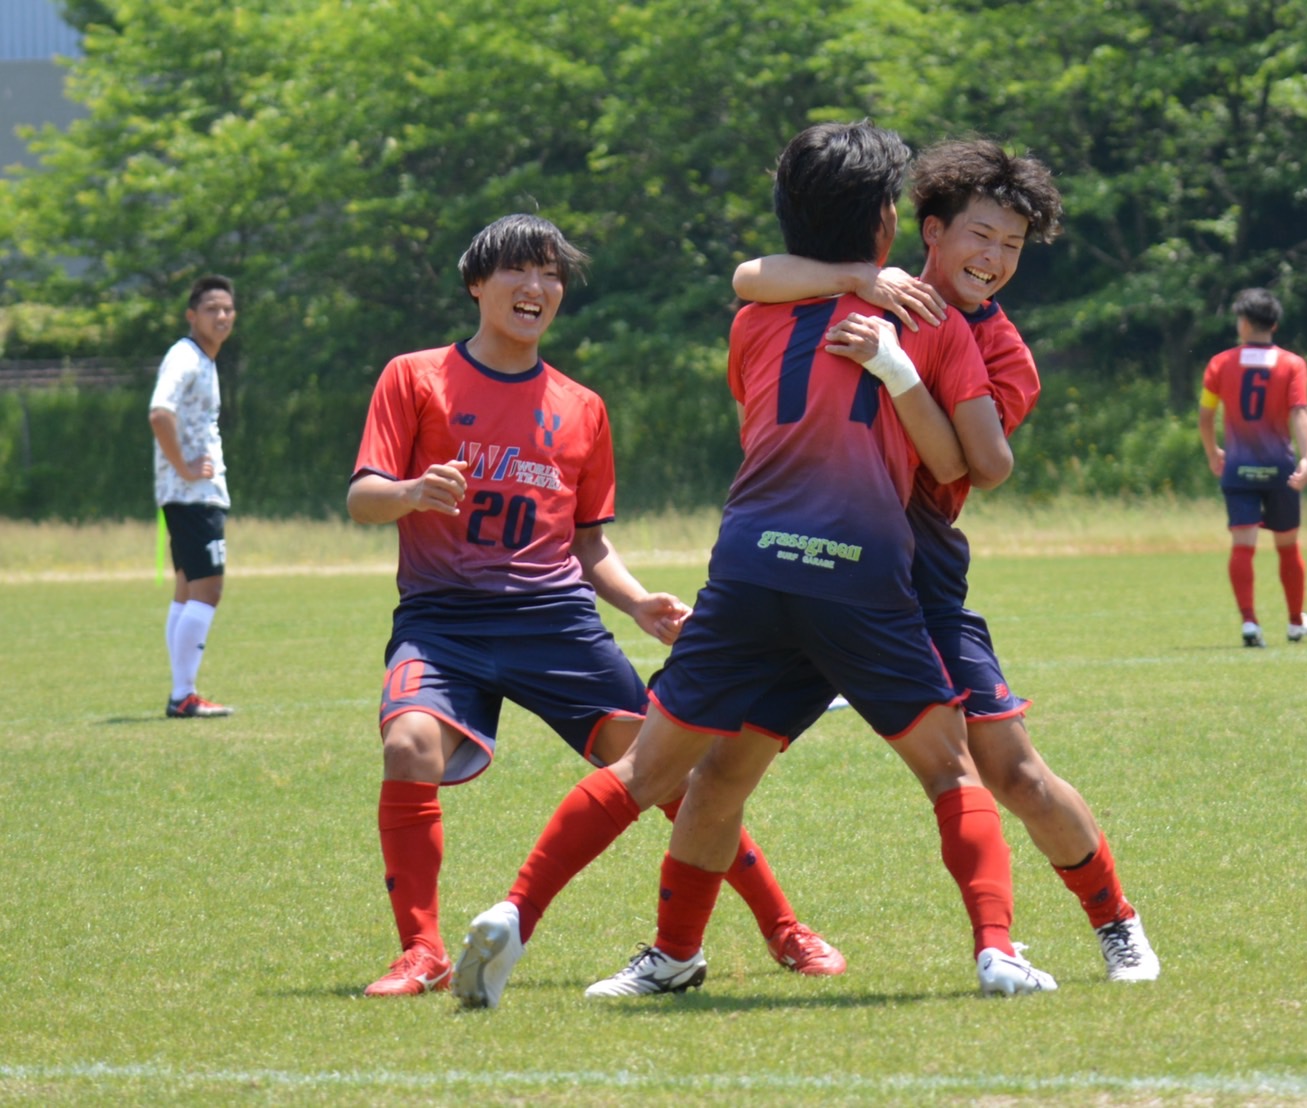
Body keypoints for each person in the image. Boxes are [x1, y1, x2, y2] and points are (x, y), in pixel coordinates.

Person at [454, 121, 1056, 1009]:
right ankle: (997, 951)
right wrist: (898, 371)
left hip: (748, 568)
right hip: (860, 575)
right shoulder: (930, 323)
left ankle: (517, 909)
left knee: (654, 774)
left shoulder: (755, 318)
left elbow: (755, 299)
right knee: (948, 771)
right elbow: (962, 465)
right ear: (891, 225)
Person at [347, 213, 842, 998]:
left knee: (667, 771)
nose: (536, 287)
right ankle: (421, 951)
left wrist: (640, 603)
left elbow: (589, 546)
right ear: (477, 283)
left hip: (556, 622)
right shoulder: (414, 377)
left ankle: (785, 928)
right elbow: (364, 497)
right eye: (518, 270)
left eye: (551, 275)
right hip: (443, 622)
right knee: (408, 746)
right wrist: (410, 492)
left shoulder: (582, 407)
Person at [729, 138, 1161, 983]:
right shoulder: (865, 287)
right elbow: (751, 278)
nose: (995, 259)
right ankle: (675, 950)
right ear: (929, 229)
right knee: (720, 768)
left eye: (1012, 247)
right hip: (806, 569)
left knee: (1016, 773)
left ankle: (1117, 923)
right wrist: (857, 280)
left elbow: (981, 466)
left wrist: (898, 374)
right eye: (982, 236)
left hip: (917, 580)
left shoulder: (999, 349)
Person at [1198, 287, 1307, 648]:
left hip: (1238, 468)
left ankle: (1250, 624)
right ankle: (1296, 623)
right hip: (1281, 469)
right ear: (1275, 323)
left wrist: (1212, 451)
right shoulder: (1293, 364)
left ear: (1245, 323)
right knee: (1288, 546)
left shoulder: (1220, 363)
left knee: (1242, 546)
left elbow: (1206, 414)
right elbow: (1300, 411)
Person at [148, 274, 238, 720]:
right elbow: (159, 413)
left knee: (187, 590)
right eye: (211, 309)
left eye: (227, 309)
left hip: (192, 493)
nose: (221, 316)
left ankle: (182, 692)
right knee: (209, 588)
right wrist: (184, 469)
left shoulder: (204, 359)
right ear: (191, 315)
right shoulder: (184, 357)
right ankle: (182, 694)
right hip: (192, 494)